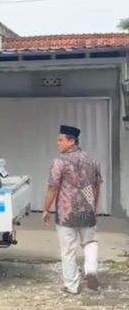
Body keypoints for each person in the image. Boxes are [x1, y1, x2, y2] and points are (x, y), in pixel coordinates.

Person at [42, 125, 103, 294]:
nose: (57, 143)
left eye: (60, 140)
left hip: (66, 213)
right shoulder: (93, 160)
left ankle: (72, 285)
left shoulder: (59, 162)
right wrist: (94, 208)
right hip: (87, 211)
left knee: (68, 250)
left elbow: (53, 188)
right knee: (90, 242)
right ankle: (91, 270)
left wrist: (45, 209)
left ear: (72, 141)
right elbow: (97, 187)